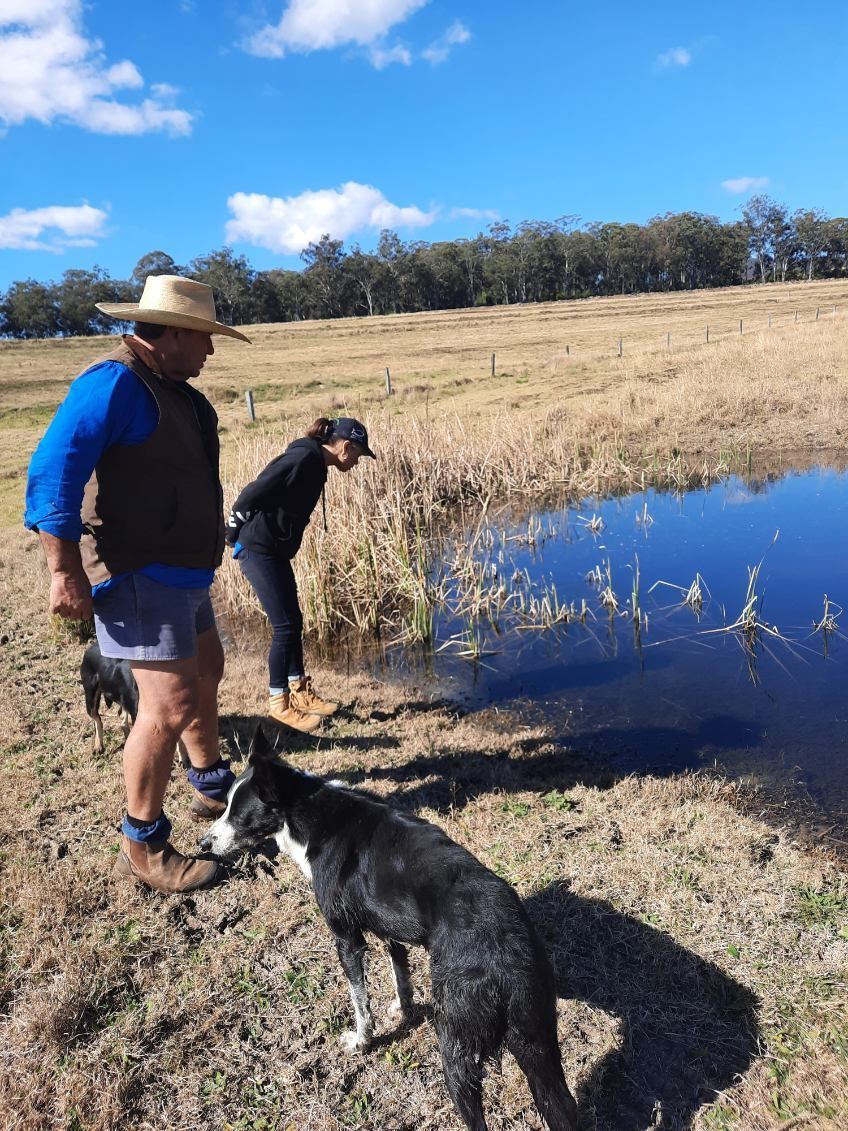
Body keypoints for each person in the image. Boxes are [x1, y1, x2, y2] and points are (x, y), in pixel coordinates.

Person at [24, 275, 251, 894]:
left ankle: (210, 784)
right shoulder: (115, 382)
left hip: (179, 570)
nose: (210, 351)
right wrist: (63, 570)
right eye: (203, 338)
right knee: (168, 704)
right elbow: (52, 470)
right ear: (173, 333)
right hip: (136, 570)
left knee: (207, 668)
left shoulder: (174, 390)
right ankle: (143, 846)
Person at [227, 417, 375, 732]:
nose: (357, 462)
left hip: (274, 550)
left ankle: (300, 692)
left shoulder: (316, 464)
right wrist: (232, 530)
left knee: (294, 621)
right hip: (259, 549)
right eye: (358, 455)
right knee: (284, 626)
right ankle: (279, 703)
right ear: (345, 447)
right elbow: (256, 489)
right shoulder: (304, 457)